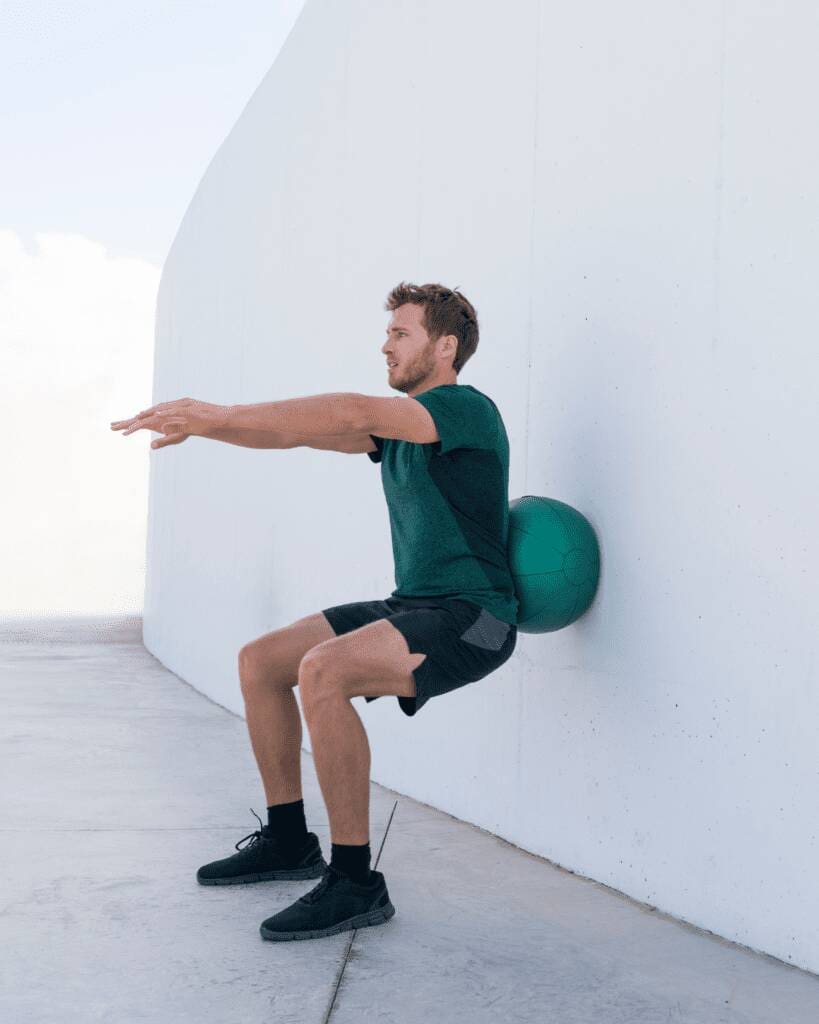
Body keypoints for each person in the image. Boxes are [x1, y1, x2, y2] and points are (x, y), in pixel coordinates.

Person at [110, 281, 518, 942]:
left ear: (445, 347)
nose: (385, 345)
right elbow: (298, 431)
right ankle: (288, 839)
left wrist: (219, 411)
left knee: (324, 670)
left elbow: (349, 407)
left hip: (476, 616)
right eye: (387, 333)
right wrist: (210, 426)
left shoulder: (464, 409)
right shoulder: (398, 432)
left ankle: (355, 882)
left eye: (401, 333)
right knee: (263, 661)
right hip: (415, 603)